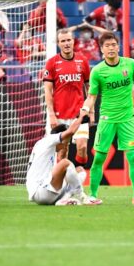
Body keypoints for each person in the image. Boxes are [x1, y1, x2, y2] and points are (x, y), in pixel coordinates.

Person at [79, 32, 134, 205]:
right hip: (107, 119)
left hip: (127, 118)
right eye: (107, 46)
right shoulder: (97, 71)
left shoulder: (131, 64)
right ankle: (92, 195)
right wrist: (84, 110)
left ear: (118, 46)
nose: (111, 48)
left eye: (113, 44)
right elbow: (91, 97)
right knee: (99, 158)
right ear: (101, 49)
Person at [26, 114, 101, 206]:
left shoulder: (47, 147)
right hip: (40, 191)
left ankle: (63, 199)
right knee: (65, 163)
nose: (66, 145)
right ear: (60, 137)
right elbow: (70, 131)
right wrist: (80, 119)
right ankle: (83, 197)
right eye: (66, 141)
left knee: (80, 171)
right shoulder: (49, 140)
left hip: (47, 192)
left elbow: (63, 170)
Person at [43, 29, 91, 167]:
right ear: (58, 44)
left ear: (73, 41)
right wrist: (51, 114)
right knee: (62, 152)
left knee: (82, 148)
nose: (66, 43)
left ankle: (78, 172)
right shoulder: (52, 63)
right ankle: (64, 183)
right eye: (63, 41)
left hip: (79, 114)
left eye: (68, 40)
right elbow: (48, 90)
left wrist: (90, 110)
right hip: (60, 115)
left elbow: (89, 88)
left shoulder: (83, 61)